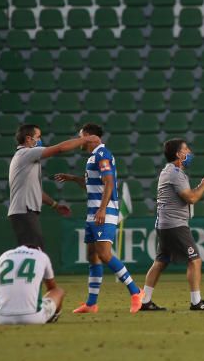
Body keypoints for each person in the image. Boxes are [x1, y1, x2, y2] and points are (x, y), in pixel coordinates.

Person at [53, 124, 143, 314]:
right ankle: (91, 303)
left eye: (80, 136)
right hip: (93, 212)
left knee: (104, 254)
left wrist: (102, 209)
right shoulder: (93, 157)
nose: (79, 141)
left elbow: (109, 182)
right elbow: (92, 185)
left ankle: (136, 292)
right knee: (92, 256)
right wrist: (73, 179)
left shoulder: (102, 154)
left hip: (104, 212)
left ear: (88, 136)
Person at [140, 139, 204, 312]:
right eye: (186, 149)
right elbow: (190, 198)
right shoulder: (175, 173)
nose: (189, 152)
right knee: (195, 260)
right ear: (178, 154)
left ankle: (144, 300)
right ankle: (196, 302)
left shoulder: (170, 172)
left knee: (160, 262)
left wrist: (200, 186)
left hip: (165, 223)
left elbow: (188, 195)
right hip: (175, 225)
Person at [8, 123, 98, 250]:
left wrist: (55, 205)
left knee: (34, 251)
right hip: (24, 211)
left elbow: (36, 192)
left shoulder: (26, 158)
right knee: (35, 252)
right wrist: (85, 139)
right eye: (38, 137)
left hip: (24, 211)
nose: (40, 140)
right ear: (28, 139)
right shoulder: (26, 153)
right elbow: (60, 148)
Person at [0, 245, 65, 325]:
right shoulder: (41, 255)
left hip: (1, 319)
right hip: (34, 317)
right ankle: (53, 317)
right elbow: (52, 287)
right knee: (58, 291)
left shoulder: (4, 255)